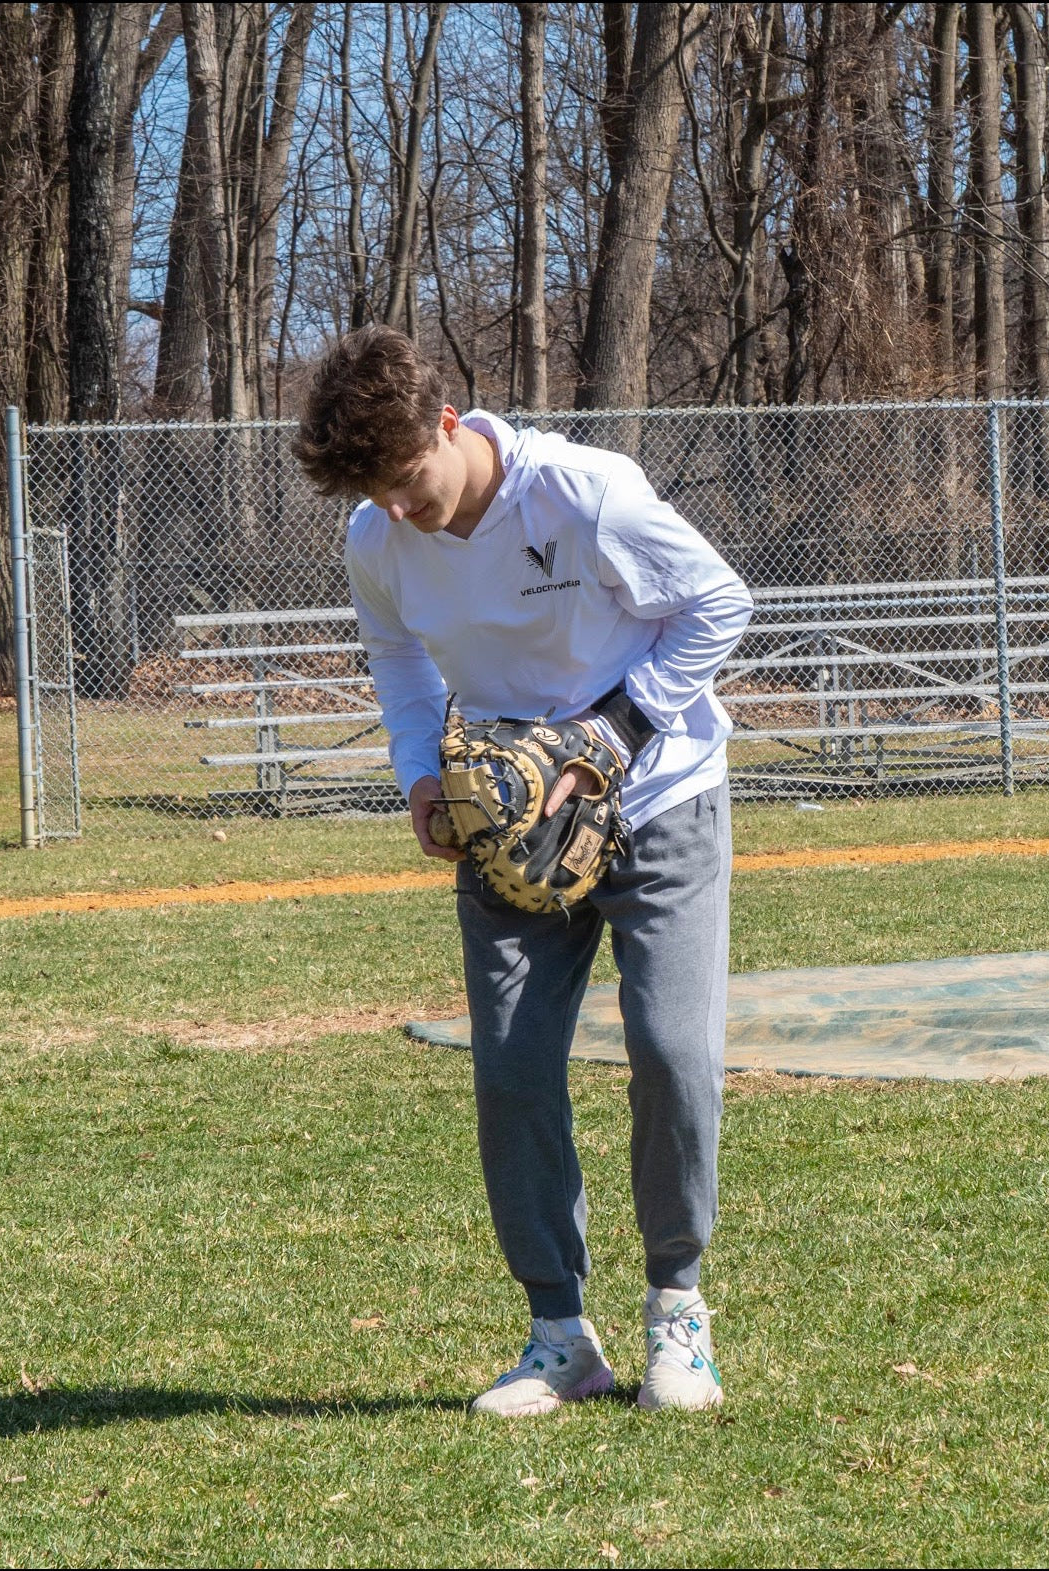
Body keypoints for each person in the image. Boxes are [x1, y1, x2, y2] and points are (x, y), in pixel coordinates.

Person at [294, 325, 753, 1415]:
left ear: (447, 426)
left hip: (659, 795)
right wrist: (419, 773)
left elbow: (720, 602)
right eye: (376, 495)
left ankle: (677, 1313)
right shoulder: (376, 537)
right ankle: (560, 1334)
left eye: (408, 481)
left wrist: (612, 732)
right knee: (510, 1072)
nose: (402, 512)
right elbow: (400, 658)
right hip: (508, 822)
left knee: (674, 1051)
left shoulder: (583, 493)